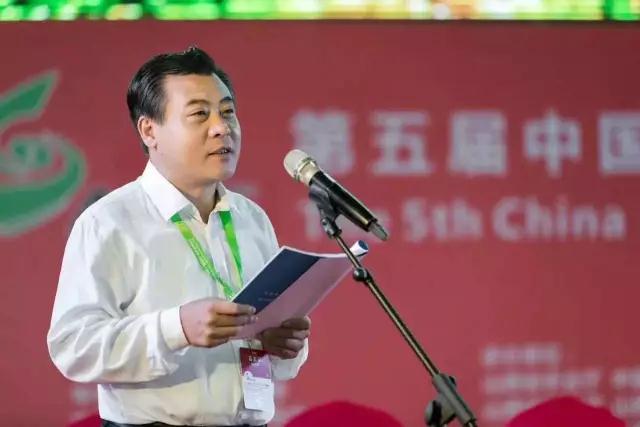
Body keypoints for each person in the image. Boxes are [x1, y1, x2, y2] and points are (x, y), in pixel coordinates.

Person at [47, 46, 310, 427]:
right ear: (149, 130)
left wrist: (278, 343)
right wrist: (177, 328)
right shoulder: (109, 222)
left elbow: (270, 344)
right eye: (200, 114)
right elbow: (73, 346)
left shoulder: (251, 219)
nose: (221, 127)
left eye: (227, 112)